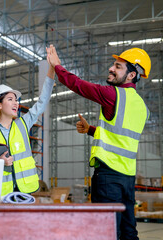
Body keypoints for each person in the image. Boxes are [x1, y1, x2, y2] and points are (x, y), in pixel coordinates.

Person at [47, 46, 150, 240]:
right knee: (129, 232)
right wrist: (91, 130)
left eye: (118, 66)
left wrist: (58, 66)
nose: (111, 68)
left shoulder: (114, 95)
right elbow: (119, 134)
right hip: (127, 179)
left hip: (108, 177)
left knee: (107, 232)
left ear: (131, 75)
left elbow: (78, 84)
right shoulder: (142, 107)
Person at [0, 47, 56, 197]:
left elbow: (42, 102)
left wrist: (52, 69)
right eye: (10, 99)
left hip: (24, 191)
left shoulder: (23, 124)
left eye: (16, 100)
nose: (16, 103)